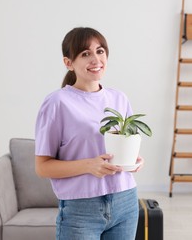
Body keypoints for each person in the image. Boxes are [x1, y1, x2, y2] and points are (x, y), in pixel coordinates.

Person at [35, 27, 143, 240]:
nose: (96, 59)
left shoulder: (119, 98)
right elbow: (42, 166)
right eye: (85, 54)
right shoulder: (57, 103)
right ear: (68, 63)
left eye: (100, 51)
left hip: (125, 201)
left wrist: (134, 160)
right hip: (81, 208)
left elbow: (127, 144)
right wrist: (89, 165)